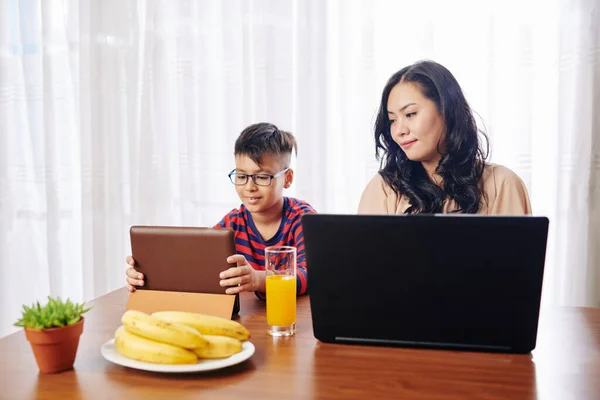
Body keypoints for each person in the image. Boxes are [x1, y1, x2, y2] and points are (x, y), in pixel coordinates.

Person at [125, 122, 316, 297]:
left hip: (294, 319)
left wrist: (258, 279)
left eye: (262, 177)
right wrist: (148, 274)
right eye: (241, 176)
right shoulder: (233, 223)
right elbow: (196, 265)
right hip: (251, 320)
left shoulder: (302, 219)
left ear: (288, 178)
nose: (249, 187)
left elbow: (313, 275)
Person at [359, 60, 531, 215]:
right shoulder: (384, 189)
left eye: (410, 114)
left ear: (446, 110)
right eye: (392, 120)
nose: (399, 131)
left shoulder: (501, 184)